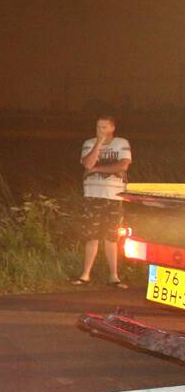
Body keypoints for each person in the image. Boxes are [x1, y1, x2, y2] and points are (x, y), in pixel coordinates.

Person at [71, 115, 131, 289]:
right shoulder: (89, 143)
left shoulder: (121, 143)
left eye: (104, 127)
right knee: (91, 235)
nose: (101, 130)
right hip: (93, 194)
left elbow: (123, 165)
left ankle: (114, 276)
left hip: (114, 195)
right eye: (98, 127)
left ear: (112, 128)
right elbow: (88, 164)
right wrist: (98, 143)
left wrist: (97, 169)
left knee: (112, 237)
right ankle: (85, 275)